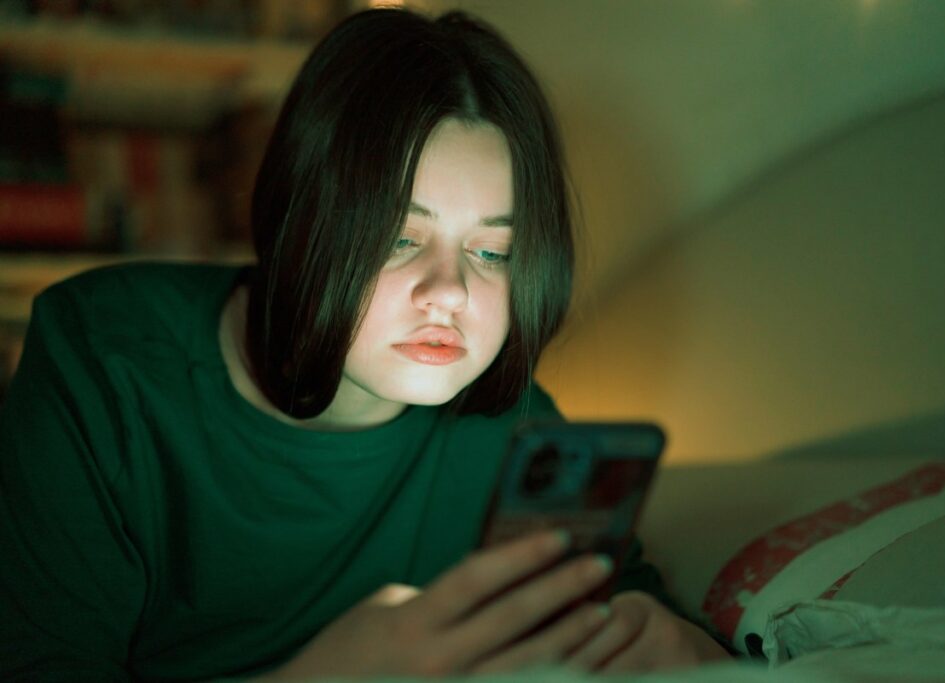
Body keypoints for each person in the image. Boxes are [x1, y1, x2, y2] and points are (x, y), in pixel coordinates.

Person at [0, 8, 729, 680]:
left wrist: (677, 646)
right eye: (399, 238)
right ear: (301, 216)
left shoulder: (518, 430)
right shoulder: (101, 363)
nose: (450, 292)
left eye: (492, 253)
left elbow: (637, 613)